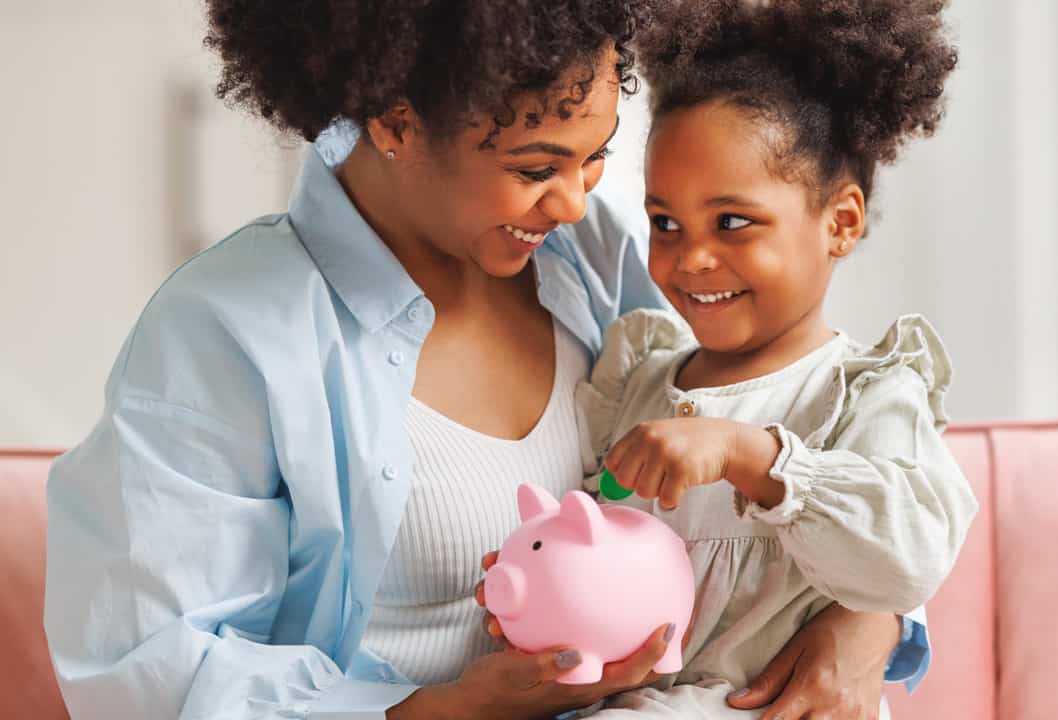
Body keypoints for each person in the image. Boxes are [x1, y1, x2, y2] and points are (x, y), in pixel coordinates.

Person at [44, 2, 933, 719]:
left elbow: (809, 422)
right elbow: (150, 678)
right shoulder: (227, 330)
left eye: (596, 158)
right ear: (396, 124)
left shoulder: (592, 260)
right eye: (536, 164)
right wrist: (449, 709)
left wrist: (869, 617)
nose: (577, 199)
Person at [567, 1, 977, 717]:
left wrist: (751, 457)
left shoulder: (864, 395)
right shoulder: (638, 375)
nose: (691, 257)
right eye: (665, 222)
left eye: (732, 222)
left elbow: (908, 562)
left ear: (840, 222)